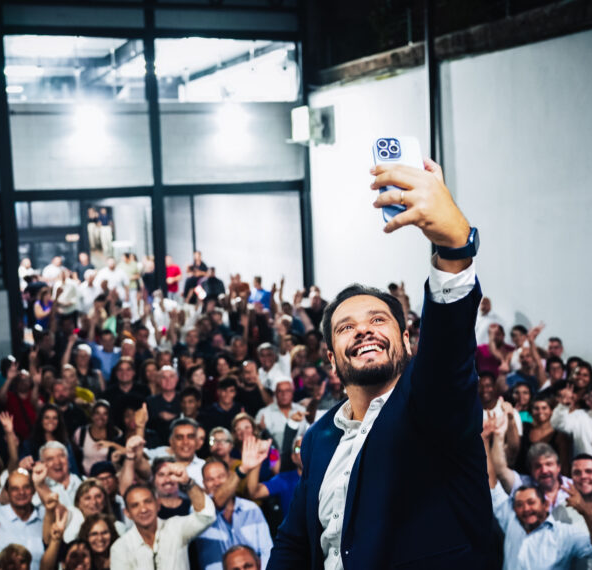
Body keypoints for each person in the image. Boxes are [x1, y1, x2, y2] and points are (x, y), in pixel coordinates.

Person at [269, 159, 491, 568]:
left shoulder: (428, 407)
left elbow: (447, 357)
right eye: (346, 327)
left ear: (405, 341)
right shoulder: (319, 438)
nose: (364, 331)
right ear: (332, 359)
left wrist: (454, 248)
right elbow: (295, 542)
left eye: (378, 320)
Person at [483, 418, 592, 569]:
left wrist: (586, 512)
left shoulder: (564, 533)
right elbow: (492, 483)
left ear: (546, 505)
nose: (526, 508)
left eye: (531, 503)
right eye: (519, 505)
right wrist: (484, 440)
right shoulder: (511, 520)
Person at [110, 476, 216, 569]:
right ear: (127, 513)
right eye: (135, 505)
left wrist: (188, 482)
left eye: (147, 501)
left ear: (158, 504)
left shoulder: (176, 527)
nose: (143, 509)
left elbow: (206, 516)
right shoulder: (120, 548)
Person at [195, 459, 273, 570]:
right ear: (204, 484)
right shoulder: (198, 512)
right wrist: (242, 470)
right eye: (210, 479)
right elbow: (215, 504)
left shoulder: (251, 508)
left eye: (220, 476)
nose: (216, 483)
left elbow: (267, 551)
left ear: (230, 476)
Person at [514, 394, 571, 476]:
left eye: (544, 408)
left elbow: (564, 463)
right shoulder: (525, 428)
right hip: (525, 477)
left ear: (551, 411)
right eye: (536, 408)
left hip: (549, 478)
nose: (540, 412)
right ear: (531, 411)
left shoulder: (559, 434)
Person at [18, 404, 80, 477]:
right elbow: (21, 468)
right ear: (41, 420)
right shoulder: (29, 443)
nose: (51, 421)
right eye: (47, 418)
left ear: (59, 421)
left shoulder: (65, 442)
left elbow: (73, 469)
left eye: (55, 418)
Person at [73, 400, 121, 476]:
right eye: (97, 413)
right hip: (85, 477)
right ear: (92, 415)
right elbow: (75, 457)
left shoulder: (116, 434)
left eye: (105, 414)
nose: (100, 417)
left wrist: (112, 444)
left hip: (107, 478)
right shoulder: (81, 432)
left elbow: (123, 454)